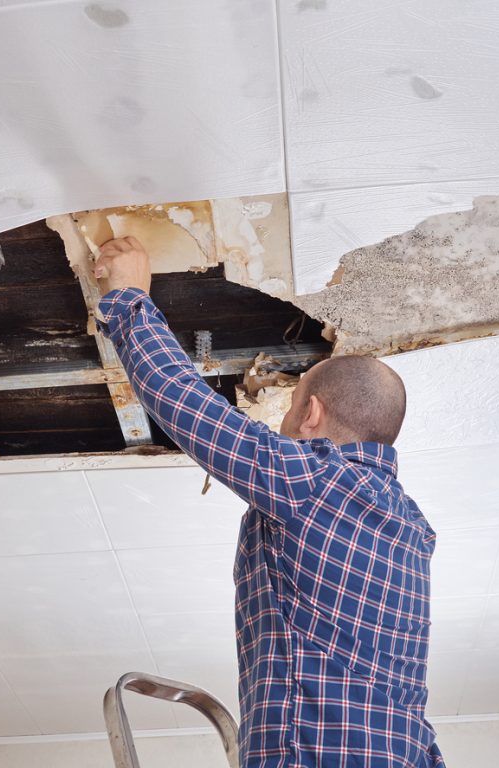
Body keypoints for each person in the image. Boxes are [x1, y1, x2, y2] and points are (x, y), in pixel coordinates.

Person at [92, 236, 445, 768]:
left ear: (311, 416)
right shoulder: (412, 530)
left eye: (290, 410)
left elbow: (184, 403)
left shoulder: (319, 480)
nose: (283, 427)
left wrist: (129, 298)